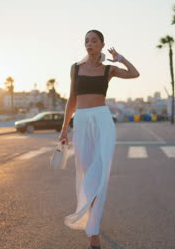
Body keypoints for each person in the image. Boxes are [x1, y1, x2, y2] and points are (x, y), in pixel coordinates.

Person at [58, 29, 140, 249]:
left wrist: (120, 58)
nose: (89, 44)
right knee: (86, 173)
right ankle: (92, 221)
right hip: (82, 120)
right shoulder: (75, 68)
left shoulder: (108, 70)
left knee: (99, 173)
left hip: (103, 121)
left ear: (102, 45)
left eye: (94, 41)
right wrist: (64, 128)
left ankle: (93, 232)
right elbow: (71, 99)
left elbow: (135, 73)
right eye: (86, 41)